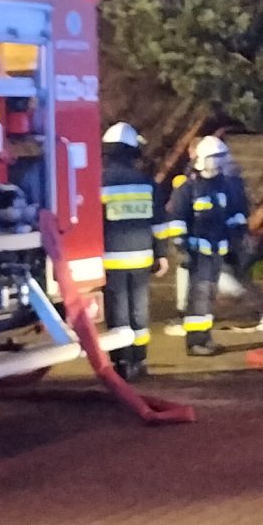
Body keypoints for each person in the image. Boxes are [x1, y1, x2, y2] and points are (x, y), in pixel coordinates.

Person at [157, 134, 236, 355]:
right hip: (198, 253)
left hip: (215, 252)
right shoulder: (188, 188)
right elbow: (177, 220)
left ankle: (205, 337)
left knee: (208, 297)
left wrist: (235, 239)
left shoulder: (221, 187)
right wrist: (181, 248)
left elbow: (228, 216)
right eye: (215, 158)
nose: (218, 163)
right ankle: (195, 343)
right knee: (199, 298)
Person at [207, 142, 263, 332]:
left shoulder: (227, 183)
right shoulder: (229, 180)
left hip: (228, 236)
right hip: (228, 235)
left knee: (224, 275)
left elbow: (229, 210)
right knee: (233, 274)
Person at [96, 122, 156, 374]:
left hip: (113, 258)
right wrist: (162, 254)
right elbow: (159, 222)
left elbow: (94, 222)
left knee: (118, 309)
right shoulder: (146, 182)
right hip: (142, 257)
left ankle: (122, 361)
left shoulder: (100, 182)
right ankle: (140, 359)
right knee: (139, 309)